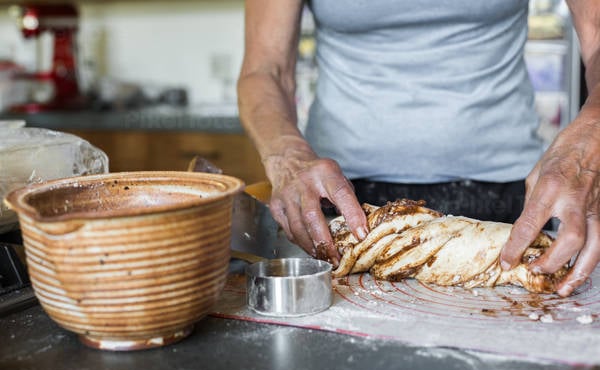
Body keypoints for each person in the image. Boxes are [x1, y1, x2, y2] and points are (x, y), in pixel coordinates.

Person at [237, 0, 600, 297]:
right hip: (342, 206)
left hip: (507, 203)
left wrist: (592, 129)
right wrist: (288, 157)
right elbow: (264, 69)